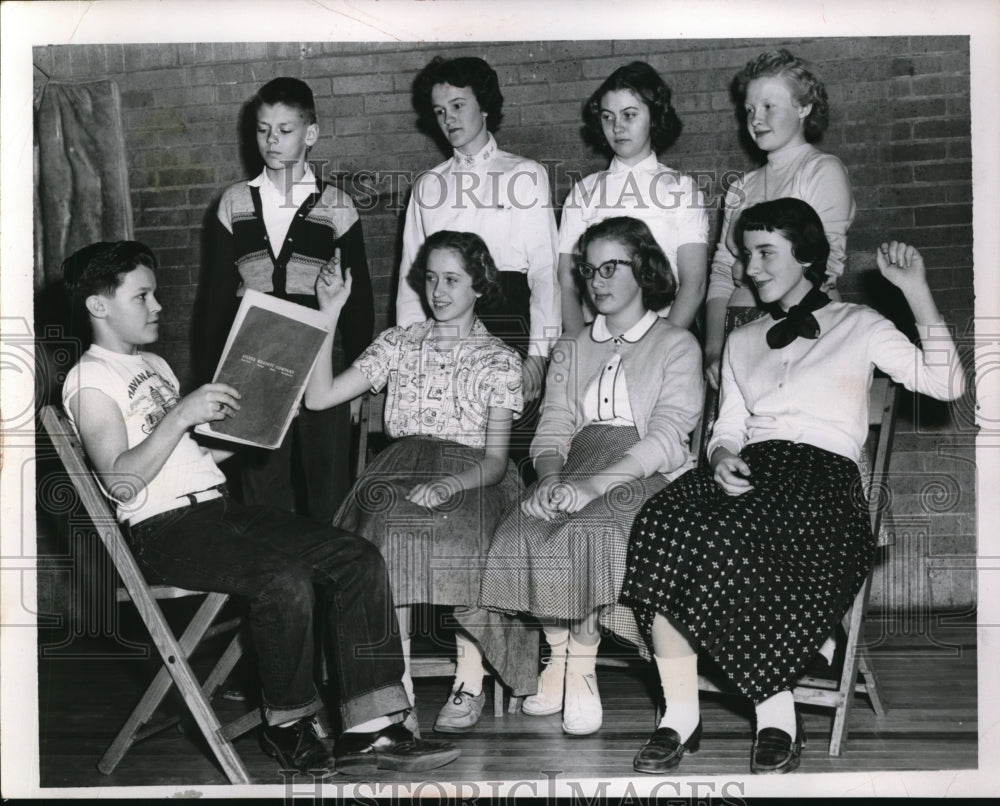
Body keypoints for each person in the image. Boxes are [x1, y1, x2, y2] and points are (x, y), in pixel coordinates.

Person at [61, 241, 458, 777]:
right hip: (164, 530)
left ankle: (370, 729)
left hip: (218, 510)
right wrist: (181, 414)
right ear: (99, 305)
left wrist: (267, 417)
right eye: (144, 295)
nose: (158, 307)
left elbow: (192, 455)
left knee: (355, 554)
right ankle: (289, 726)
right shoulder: (89, 379)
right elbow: (123, 481)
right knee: (284, 578)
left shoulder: (153, 364)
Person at [619, 198, 966, 775]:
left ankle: (775, 712)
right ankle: (679, 715)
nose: (750, 267)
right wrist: (723, 454)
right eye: (746, 254)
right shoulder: (742, 339)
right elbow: (727, 425)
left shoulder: (860, 324)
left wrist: (916, 291)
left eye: (764, 253)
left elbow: (946, 383)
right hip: (754, 467)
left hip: (823, 479)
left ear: (805, 255)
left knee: (742, 533)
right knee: (663, 520)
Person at [479, 217, 704, 736]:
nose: (596, 280)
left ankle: (582, 667)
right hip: (576, 461)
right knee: (520, 529)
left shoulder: (677, 344)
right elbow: (554, 427)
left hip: (645, 469)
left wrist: (593, 488)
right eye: (588, 270)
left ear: (644, 270)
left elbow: (666, 439)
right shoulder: (571, 347)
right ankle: (556, 658)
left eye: (610, 267)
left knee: (589, 533)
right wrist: (552, 479)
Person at [305, 230, 535, 735]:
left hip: (474, 475)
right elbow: (319, 397)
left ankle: (469, 680)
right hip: (401, 465)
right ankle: (394, 686)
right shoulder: (398, 343)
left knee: (468, 542)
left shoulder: (499, 359)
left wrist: (453, 485)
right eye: (431, 278)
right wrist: (329, 313)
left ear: (480, 285)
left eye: (452, 279)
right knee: (382, 539)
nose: (438, 291)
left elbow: (496, 460)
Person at [200, 76, 375, 522]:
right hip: (254, 365)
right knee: (262, 499)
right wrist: (215, 378)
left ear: (310, 134)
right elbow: (215, 303)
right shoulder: (234, 203)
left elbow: (359, 303)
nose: (272, 140)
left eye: (285, 129)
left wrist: (357, 385)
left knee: (328, 496)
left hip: (322, 367)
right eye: (262, 129)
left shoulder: (338, 205)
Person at [395, 55, 559, 415]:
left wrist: (538, 355)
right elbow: (411, 283)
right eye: (439, 111)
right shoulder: (426, 186)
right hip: (445, 333)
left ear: (484, 106)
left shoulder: (525, 175)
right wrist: (411, 356)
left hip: (510, 325)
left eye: (457, 105)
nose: (448, 119)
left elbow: (545, 272)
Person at [703, 49, 855, 390]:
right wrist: (714, 348)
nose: (756, 119)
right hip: (738, 329)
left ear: (803, 107)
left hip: (804, 330)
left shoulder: (821, 171)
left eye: (769, 106)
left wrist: (746, 271)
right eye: (749, 110)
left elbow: (824, 267)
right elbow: (721, 274)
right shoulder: (741, 187)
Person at [558, 61, 708, 335]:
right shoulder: (583, 192)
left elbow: (694, 284)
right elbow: (567, 284)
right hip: (597, 336)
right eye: (607, 116)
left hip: (666, 334)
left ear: (654, 117)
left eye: (629, 115)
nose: (617, 127)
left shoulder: (681, 189)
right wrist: (581, 346)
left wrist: (658, 348)